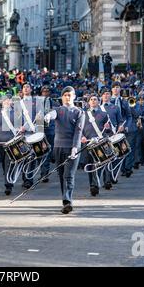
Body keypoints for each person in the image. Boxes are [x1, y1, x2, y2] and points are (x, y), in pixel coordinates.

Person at [44, 86, 85, 214]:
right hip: (58, 147)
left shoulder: (79, 112)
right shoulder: (58, 110)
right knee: (61, 175)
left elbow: (78, 132)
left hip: (72, 148)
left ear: (74, 97)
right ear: (62, 97)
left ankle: (68, 201)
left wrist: (75, 148)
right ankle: (65, 199)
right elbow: (53, 114)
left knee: (68, 175)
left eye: (70, 95)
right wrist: (47, 117)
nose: (67, 97)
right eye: (65, 95)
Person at [81, 94, 112, 197]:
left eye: (95, 99)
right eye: (91, 100)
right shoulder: (83, 114)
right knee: (90, 165)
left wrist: (107, 127)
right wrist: (82, 137)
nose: (93, 101)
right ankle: (92, 185)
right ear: (88, 102)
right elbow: (79, 129)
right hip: (88, 142)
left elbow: (109, 130)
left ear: (98, 102)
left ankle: (96, 185)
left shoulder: (103, 114)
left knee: (99, 164)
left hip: (100, 142)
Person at [99, 87, 123, 188]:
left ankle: (111, 177)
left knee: (113, 158)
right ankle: (107, 180)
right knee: (105, 159)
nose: (106, 95)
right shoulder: (98, 108)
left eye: (108, 93)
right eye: (104, 94)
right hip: (102, 136)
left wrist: (121, 126)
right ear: (101, 95)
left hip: (113, 135)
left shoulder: (115, 108)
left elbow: (120, 120)